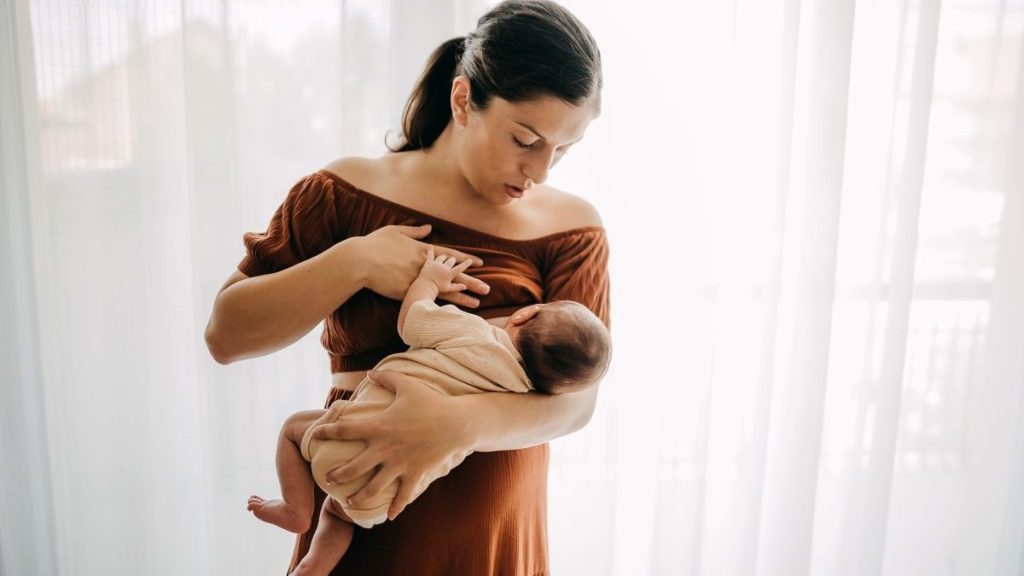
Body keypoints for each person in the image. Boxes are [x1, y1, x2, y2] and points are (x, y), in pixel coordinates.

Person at [204, 0, 610, 573]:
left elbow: (578, 402)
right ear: (464, 99)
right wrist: (359, 262)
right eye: (525, 140)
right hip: (363, 530)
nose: (542, 171)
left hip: (494, 541)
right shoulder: (342, 193)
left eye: (563, 150)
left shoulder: (571, 229)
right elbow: (226, 335)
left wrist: (457, 426)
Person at [247, 248, 611, 575]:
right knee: (339, 515)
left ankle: (296, 509)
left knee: (294, 429)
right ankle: (313, 567)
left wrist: (428, 281)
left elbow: (413, 321)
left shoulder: (476, 334)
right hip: (388, 493)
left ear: (524, 315)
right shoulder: (525, 394)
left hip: (343, 438)